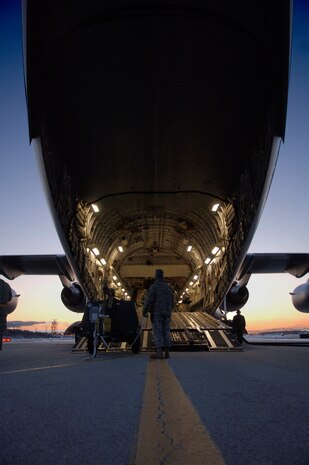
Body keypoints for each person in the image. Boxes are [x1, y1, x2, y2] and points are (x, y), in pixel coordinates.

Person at [143, 269, 174, 359]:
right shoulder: (169, 288)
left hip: (157, 312)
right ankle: (167, 352)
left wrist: (144, 310)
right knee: (166, 330)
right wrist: (170, 310)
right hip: (167, 312)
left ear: (156, 276)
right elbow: (173, 301)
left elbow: (149, 299)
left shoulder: (154, 286)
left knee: (158, 330)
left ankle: (159, 352)